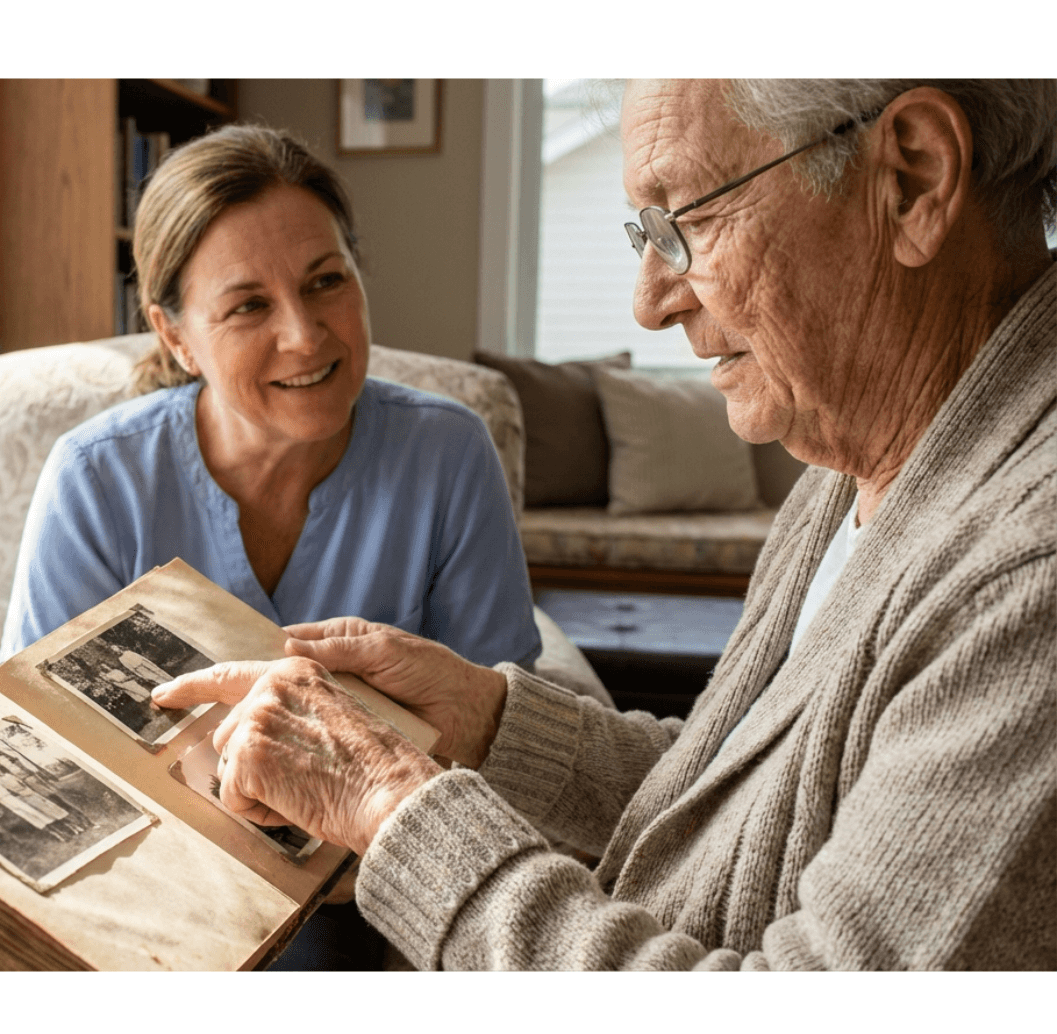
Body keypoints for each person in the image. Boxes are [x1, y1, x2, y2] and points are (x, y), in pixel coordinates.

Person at [154, 80, 1057, 969]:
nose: (651, 298)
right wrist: (489, 724)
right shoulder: (855, 466)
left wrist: (391, 805)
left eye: (688, 219)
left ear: (913, 177)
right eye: (646, 230)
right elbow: (744, 801)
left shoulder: (1028, 580)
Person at [0, 125, 543, 969]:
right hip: (159, 908)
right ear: (175, 335)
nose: (305, 334)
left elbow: (500, 737)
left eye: (327, 282)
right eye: (249, 305)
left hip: (386, 899)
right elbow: (40, 743)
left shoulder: (449, 453)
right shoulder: (95, 480)